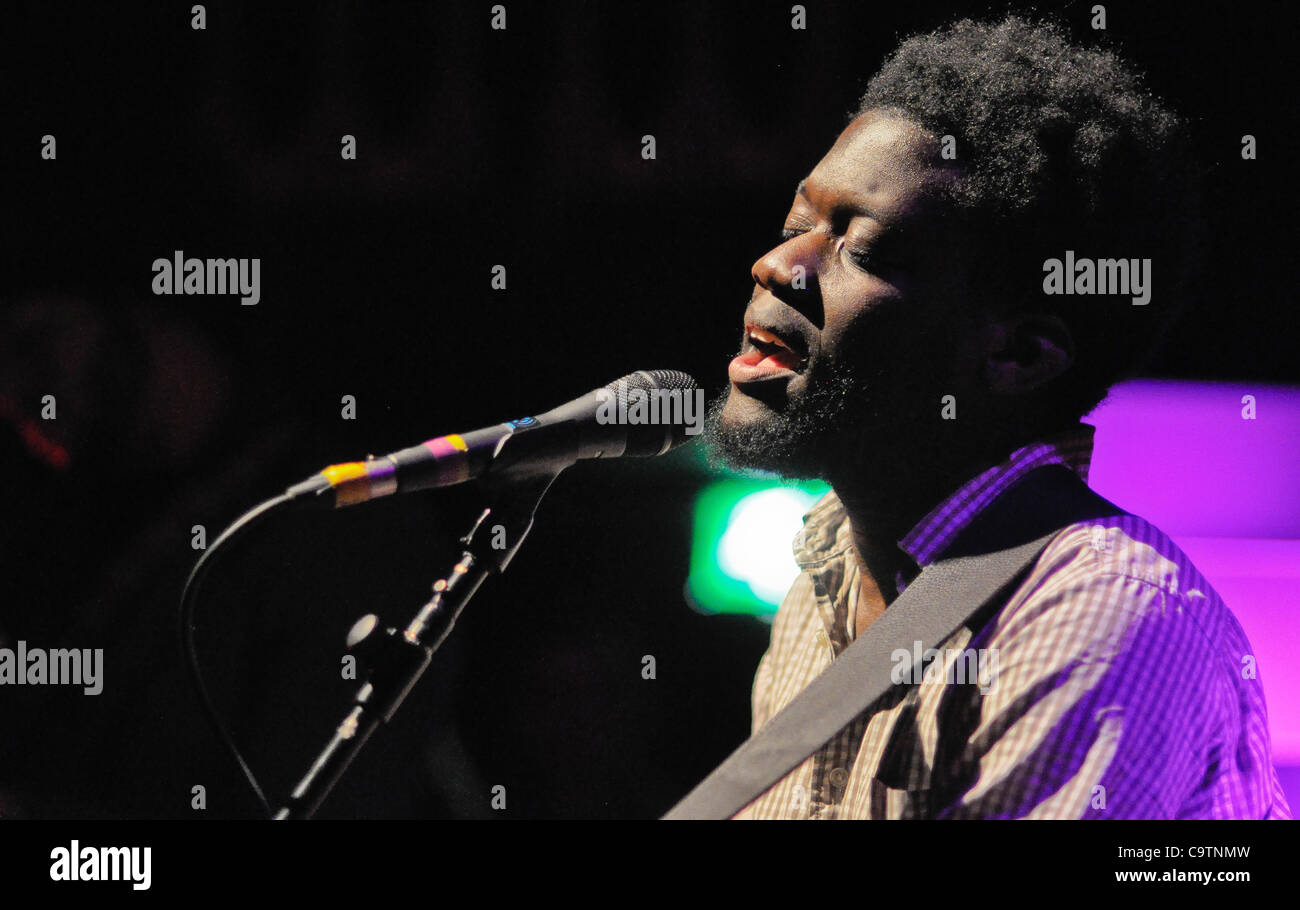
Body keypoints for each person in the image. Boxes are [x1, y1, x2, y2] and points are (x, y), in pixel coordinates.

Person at [701, 15, 1290, 819]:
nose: (776, 265)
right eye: (797, 225)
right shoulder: (825, 574)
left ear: (1018, 355)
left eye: (860, 248)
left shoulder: (1100, 613)